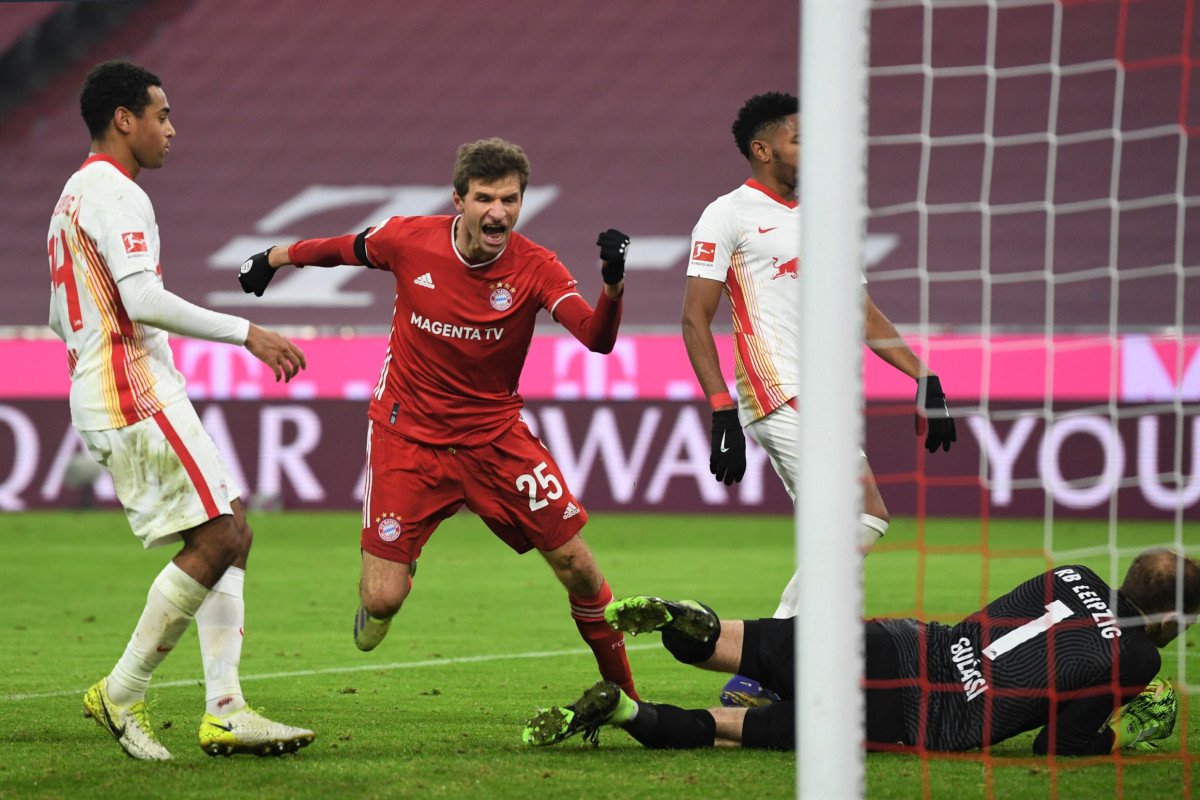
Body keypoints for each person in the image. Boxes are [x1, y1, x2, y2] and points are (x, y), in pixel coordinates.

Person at [236, 137, 639, 699]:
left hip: (495, 439)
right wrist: (274, 257)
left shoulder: (538, 267)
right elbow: (342, 248)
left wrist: (613, 287)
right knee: (381, 601)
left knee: (579, 567)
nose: (498, 212)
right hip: (408, 435)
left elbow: (597, 338)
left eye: (510, 199)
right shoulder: (408, 239)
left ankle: (628, 700)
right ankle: (395, 575)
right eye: (484, 198)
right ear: (459, 200)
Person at [49, 61, 313, 760]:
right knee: (221, 537)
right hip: (131, 390)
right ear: (124, 119)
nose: (172, 129)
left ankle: (225, 710)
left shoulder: (74, 196)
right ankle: (123, 690)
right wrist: (247, 332)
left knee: (233, 532)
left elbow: (56, 312)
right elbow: (141, 299)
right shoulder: (115, 193)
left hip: (116, 387)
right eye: (161, 115)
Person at [681, 90, 957, 706]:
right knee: (859, 513)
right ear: (763, 149)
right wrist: (721, 408)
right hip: (775, 387)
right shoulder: (727, 215)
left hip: (823, 397)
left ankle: (769, 670)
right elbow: (695, 318)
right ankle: (770, 664)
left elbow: (862, 312)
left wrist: (923, 376)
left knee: (847, 526)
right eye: (800, 138)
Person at [523, 547, 1199, 755]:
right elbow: (1059, 745)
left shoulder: (1070, 574)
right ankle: (626, 714)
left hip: (901, 641)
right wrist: (1128, 732)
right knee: (729, 728)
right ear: (1172, 619)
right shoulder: (1139, 660)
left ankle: (687, 620)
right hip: (913, 712)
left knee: (743, 642)